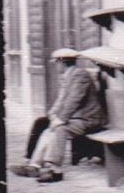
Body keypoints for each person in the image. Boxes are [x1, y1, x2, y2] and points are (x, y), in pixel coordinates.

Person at [10, 48, 107, 183]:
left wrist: (61, 119)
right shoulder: (69, 75)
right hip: (77, 118)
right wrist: (54, 114)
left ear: (62, 62)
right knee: (49, 129)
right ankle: (35, 166)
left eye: (56, 62)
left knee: (60, 129)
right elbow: (61, 100)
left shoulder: (80, 75)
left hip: (89, 119)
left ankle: (54, 169)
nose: (55, 65)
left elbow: (74, 100)